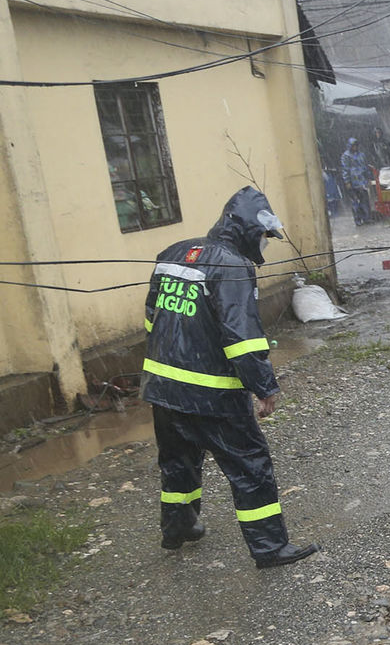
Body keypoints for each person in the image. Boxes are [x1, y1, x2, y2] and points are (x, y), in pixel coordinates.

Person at [142, 187, 318, 570]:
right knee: (250, 466)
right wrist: (264, 387)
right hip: (212, 395)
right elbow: (242, 338)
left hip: (163, 388)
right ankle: (270, 547)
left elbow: (152, 318)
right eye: (263, 237)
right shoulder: (233, 267)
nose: (264, 245)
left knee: (178, 460)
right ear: (247, 231)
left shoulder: (173, 254)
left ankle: (177, 528)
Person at [340, 138, 374, 225]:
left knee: (365, 200)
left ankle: (367, 218)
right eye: (353, 146)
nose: (355, 147)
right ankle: (358, 219)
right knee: (355, 202)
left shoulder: (361, 155)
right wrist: (347, 181)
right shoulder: (346, 156)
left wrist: (368, 178)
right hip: (352, 182)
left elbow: (365, 167)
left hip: (362, 181)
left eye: (356, 145)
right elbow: (345, 169)